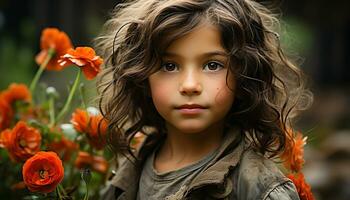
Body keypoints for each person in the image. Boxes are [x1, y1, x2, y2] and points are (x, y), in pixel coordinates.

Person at [95, 0, 313, 199]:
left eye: (212, 65)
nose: (190, 85)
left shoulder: (258, 188)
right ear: (142, 78)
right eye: (169, 66)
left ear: (244, 74)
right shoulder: (128, 172)